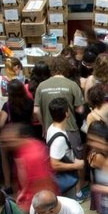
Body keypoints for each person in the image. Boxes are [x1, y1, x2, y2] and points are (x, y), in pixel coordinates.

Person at [34, 57, 86, 195]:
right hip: (70, 128)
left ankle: (58, 189)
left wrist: (44, 124)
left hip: (51, 129)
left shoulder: (41, 86)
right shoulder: (72, 85)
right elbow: (80, 109)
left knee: (55, 160)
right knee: (75, 160)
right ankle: (78, 191)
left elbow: (36, 110)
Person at [0, 124, 59, 213]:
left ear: (20, 138)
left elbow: (42, 184)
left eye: (9, 141)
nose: (6, 146)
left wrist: (27, 204)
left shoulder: (32, 155)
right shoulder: (29, 146)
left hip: (38, 203)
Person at [46, 98, 86, 195]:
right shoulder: (59, 139)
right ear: (66, 113)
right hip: (64, 180)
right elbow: (54, 164)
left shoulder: (51, 128)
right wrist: (76, 165)